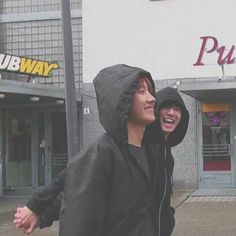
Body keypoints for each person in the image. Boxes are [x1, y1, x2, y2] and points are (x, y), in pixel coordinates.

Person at [14, 74, 189, 235]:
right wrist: (38, 209)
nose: (172, 113)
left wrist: (168, 219)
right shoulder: (125, 147)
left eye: (177, 109)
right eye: (165, 107)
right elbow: (75, 182)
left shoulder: (164, 153)